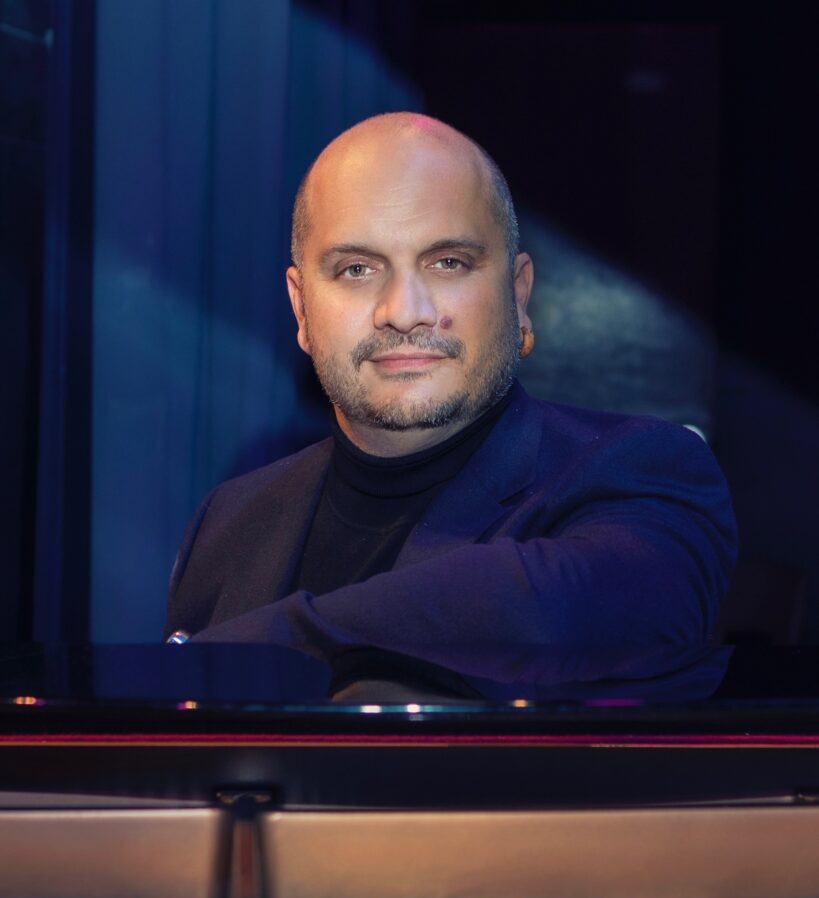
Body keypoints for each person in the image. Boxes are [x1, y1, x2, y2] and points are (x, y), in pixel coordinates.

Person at [164, 113, 737, 683]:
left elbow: (550, 611)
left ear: (518, 296)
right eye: (357, 268)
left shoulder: (640, 471)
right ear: (301, 309)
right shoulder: (229, 519)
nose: (404, 311)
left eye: (447, 263)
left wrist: (256, 646)